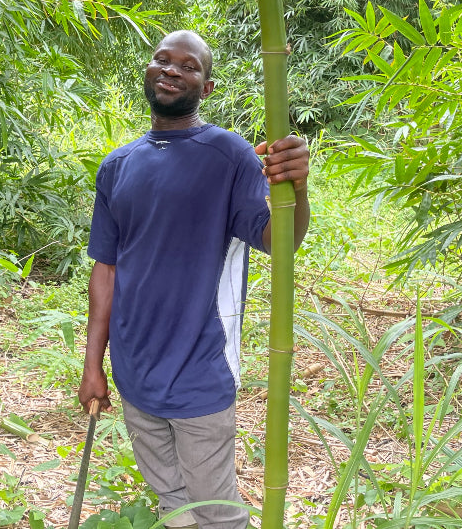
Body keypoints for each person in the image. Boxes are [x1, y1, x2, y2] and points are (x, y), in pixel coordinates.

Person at [78, 30, 310, 529]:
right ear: (146, 70)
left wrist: (297, 185)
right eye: (162, 60)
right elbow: (107, 268)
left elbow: (280, 241)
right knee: (172, 502)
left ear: (205, 87)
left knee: (217, 513)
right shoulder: (117, 166)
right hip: (134, 369)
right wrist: (92, 364)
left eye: (187, 66)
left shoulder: (228, 157)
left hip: (200, 370)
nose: (170, 70)